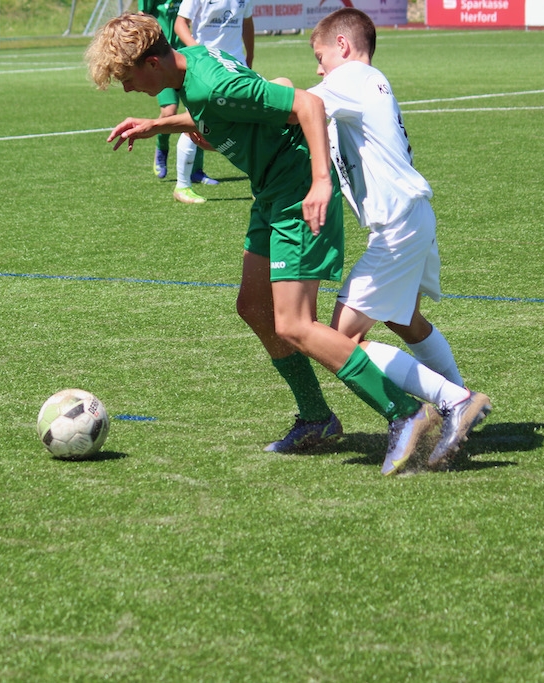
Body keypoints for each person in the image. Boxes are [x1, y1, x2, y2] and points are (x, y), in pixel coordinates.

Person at [84, 12, 441, 475]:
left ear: (152, 63)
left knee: (294, 325)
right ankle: (316, 418)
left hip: (296, 191)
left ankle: (406, 413)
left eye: (128, 78)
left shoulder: (211, 83)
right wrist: (159, 125)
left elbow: (306, 105)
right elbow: (232, 111)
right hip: (270, 190)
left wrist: (320, 181)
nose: (128, 88)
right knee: (253, 306)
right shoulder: (194, 62)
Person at [300, 7, 491, 470]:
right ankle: (461, 402)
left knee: (342, 340)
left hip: (398, 225)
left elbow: (297, 105)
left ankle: (455, 400)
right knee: (405, 320)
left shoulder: (351, 78)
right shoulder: (368, 82)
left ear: (343, 46)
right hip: (413, 216)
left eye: (320, 57)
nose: (320, 69)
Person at [168, 0, 255, 204]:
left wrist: (250, 55)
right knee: (195, 122)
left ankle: (258, 184)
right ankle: (182, 185)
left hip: (235, 65)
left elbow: (247, 22)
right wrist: (200, 53)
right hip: (206, 66)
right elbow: (180, 24)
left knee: (250, 122)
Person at [138, 0, 216, 187]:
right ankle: (162, 148)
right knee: (169, 111)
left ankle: (196, 170)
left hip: (184, 56)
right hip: (161, 59)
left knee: (198, 112)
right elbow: (141, 18)